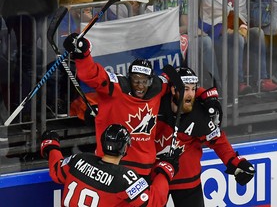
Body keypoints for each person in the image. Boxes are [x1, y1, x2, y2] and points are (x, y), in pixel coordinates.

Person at [62, 33, 221, 181]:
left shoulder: (158, 87)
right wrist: (83, 54)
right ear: (128, 78)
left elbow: (182, 85)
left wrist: (208, 96)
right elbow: (92, 74)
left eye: (144, 81)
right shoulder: (116, 86)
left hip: (145, 170)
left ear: (151, 80)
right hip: (114, 165)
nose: (140, 86)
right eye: (136, 80)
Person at [154, 66, 256, 207]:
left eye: (193, 89)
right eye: (186, 89)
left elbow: (217, 141)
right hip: (156, 179)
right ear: (173, 90)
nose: (191, 94)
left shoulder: (199, 114)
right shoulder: (155, 105)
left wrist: (235, 162)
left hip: (188, 182)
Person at [41, 124, 180, 206]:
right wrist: (165, 169)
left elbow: (56, 171)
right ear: (125, 148)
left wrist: (51, 145)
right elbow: (154, 203)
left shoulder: (79, 159)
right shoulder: (125, 178)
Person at [199, 0, 277, 94]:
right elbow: (205, 21)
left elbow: (242, 16)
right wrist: (225, 30)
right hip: (216, 35)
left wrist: (243, 28)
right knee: (237, 38)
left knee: (257, 33)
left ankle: (261, 80)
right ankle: (238, 83)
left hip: (236, 30)